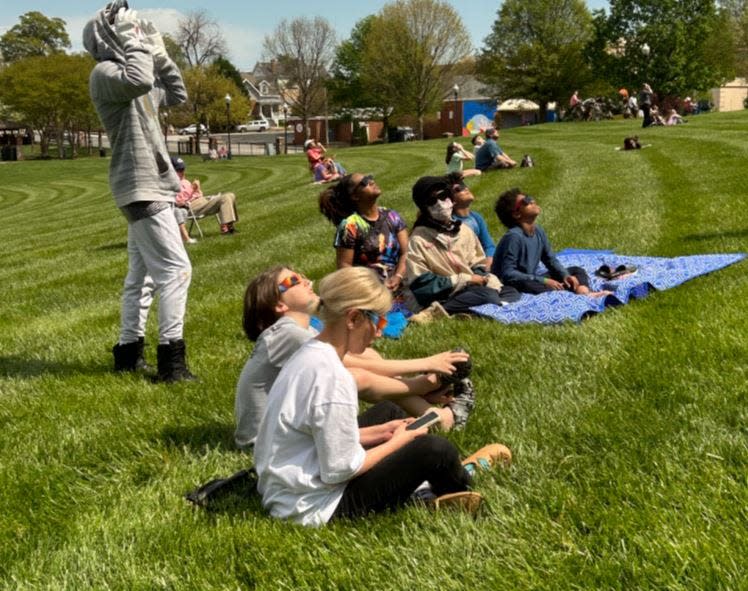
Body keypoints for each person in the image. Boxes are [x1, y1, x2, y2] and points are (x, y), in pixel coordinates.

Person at [253, 266, 512, 526]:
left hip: (287, 487)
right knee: (436, 451)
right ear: (353, 318)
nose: (379, 332)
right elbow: (340, 469)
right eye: (378, 321)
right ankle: (458, 479)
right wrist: (399, 441)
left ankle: (422, 488)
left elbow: (312, 434)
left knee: (390, 412)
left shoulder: (309, 353)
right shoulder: (332, 378)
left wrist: (382, 432)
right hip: (315, 507)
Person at [235, 266, 475, 449]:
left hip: (296, 430)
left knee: (371, 362)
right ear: (278, 304)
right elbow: (351, 366)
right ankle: (430, 396)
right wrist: (427, 364)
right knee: (355, 377)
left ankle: (427, 405)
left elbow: (360, 357)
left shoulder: (305, 331)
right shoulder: (283, 334)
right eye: (294, 280)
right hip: (270, 442)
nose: (307, 281)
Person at [84, 2, 195, 382]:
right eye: (123, 28)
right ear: (108, 36)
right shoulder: (105, 74)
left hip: (153, 184)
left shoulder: (136, 71)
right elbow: (139, 81)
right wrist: (134, 42)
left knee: (142, 276)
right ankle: (172, 362)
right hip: (140, 186)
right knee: (177, 271)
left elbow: (176, 93)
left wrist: (159, 52)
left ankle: (128, 353)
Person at [405, 176, 519, 323]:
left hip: (470, 288)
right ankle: (434, 312)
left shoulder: (464, 230)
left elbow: (477, 261)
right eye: (432, 201)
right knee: (486, 296)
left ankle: (471, 310)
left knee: (511, 291)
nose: (440, 204)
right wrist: (465, 279)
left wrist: (483, 278)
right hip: (440, 295)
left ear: (451, 199)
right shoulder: (418, 240)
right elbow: (421, 285)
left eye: (443, 196)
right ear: (424, 209)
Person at [491, 188, 606, 296]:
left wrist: (565, 275)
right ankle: (573, 294)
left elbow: (550, 259)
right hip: (514, 283)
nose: (532, 201)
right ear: (517, 214)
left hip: (532, 277)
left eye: (529, 197)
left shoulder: (538, 231)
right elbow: (509, 273)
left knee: (575, 271)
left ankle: (583, 291)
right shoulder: (513, 237)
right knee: (528, 284)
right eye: (526, 201)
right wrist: (544, 280)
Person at [319, 173, 408, 292]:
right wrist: (373, 287)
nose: (371, 181)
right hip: (369, 291)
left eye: (370, 178)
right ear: (355, 196)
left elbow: (406, 252)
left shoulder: (392, 216)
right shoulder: (349, 226)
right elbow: (345, 267)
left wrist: (398, 276)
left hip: (400, 283)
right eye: (364, 182)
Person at [172, 157, 238, 235]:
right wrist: (192, 188)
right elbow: (178, 201)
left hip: (201, 201)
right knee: (225, 198)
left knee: (231, 195)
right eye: (179, 170)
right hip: (190, 207)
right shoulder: (171, 184)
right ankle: (226, 229)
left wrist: (197, 189)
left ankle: (229, 226)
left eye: (183, 169)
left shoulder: (185, 181)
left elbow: (198, 194)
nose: (182, 172)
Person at [448, 173, 495, 268]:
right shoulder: (450, 221)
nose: (465, 189)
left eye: (464, 186)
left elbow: (489, 245)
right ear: (451, 200)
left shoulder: (476, 217)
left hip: (480, 262)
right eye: (458, 189)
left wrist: (489, 259)